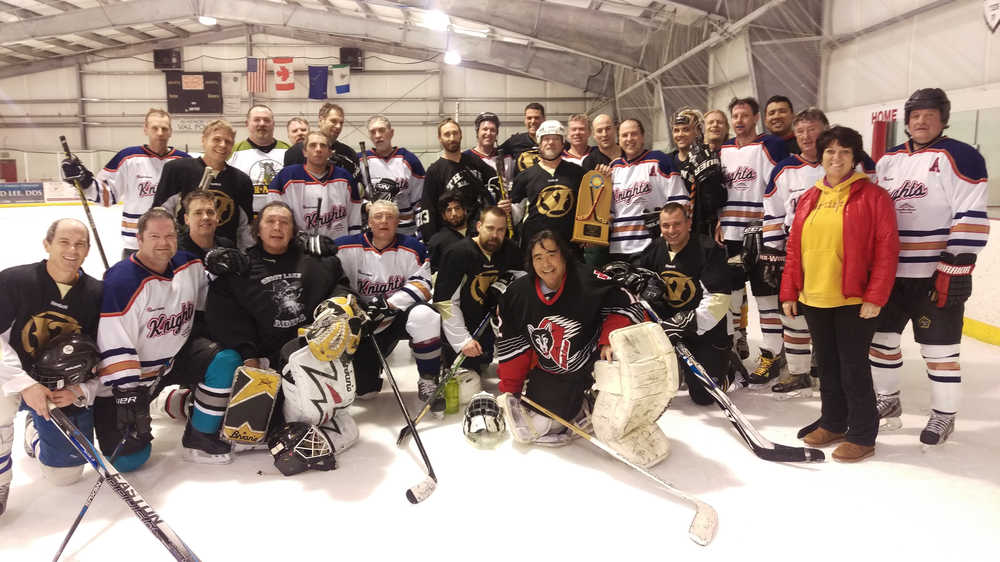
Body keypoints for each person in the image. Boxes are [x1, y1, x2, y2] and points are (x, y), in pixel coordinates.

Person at [869, 88, 989, 446]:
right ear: (906, 120)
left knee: (940, 353)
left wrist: (955, 265)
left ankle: (943, 416)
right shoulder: (888, 159)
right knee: (882, 342)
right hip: (891, 274)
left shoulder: (962, 156)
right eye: (916, 115)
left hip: (934, 275)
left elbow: (971, 211)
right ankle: (888, 401)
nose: (922, 121)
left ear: (943, 118)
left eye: (930, 115)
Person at [781, 125, 899, 462]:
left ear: (855, 157)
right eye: (830, 151)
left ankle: (863, 434)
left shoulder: (874, 197)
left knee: (853, 368)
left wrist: (876, 296)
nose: (836, 157)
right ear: (821, 156)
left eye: (844, 151)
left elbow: (887, 249)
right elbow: (794, 249)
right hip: (814, 295)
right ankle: (834, 422)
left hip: (853, 299)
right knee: (828, 366)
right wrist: (790, 290)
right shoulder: (809, 197)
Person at [94, 208, 242, 468]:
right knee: (129, 461)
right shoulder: (122, 282)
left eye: (170, 236)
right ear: (139, 240)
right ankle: (39, 427)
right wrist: (127, 393)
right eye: (154, 236)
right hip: (129, 381)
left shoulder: (188, 264)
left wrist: (224, 269)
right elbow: (113, 341)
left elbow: (205, 287)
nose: (163, 243)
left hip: (169, 363)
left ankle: (198, 434)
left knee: (225, 360)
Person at [204, 201, 353, 447]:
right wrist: (248, 355)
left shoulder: (317, 262)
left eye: (284, 222)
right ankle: (184, 402)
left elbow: (341, 288)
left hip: (308, 352)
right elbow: (225, 317)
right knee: (259, 433)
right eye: (270, 221)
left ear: (294, 230)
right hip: (262, 357)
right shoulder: (241, 268)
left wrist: (334, 313)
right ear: (257, 230)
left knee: (310, 419)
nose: (277, 227)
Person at [495, 229, 645, 444]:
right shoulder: (517, 294)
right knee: (540, 422)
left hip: (592, 363)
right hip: (552, 370)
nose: (546, 264)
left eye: (551, 254)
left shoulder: (588, 280)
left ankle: (596, 399)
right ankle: (581, 404)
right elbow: (513, 346)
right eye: (538, 257)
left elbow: (627, 303)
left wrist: (610, 339)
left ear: (564, 254)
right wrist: (510, 391)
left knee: (620, 356)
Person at [0, 219, 103, 515]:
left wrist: (80, 391)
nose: (72, 250)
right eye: (64, 242)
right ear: (47, 245)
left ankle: (35, 429)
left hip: (59, 388)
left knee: (65, 476)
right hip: (11, 377)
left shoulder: (96, 294)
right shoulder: (14, 281)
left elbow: (101, 357)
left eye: (80, 244)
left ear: (87, 251)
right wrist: (25, 384)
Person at [334, 201, 442, 406]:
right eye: (378, 216)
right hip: (363, 324)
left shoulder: (414, 248)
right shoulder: (345, 246)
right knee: (365, 392)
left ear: (398, 221)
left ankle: (429, 378)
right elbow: (330, 277)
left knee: (425, 315)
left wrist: (390, 304)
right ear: (369, 221)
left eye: (390, 217)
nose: (384, 221)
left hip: (395, 317)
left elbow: (424, 285)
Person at [716, 97, 789, 382]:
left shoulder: (771, 146)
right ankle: (733, 352)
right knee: (733, 297)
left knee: (766, 297)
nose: (739, 121)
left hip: (759, 235)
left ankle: (771, 356)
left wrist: (773, 228)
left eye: (745, 115)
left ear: (755, 117)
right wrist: (719, 221)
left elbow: (779, 188)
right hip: (731, 239)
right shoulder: (722, 150)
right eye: (735, 115)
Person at [636, 203, 733, 404]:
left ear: (688, 223)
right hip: (671, 329)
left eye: (677, 224)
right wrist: (639, 282)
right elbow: (637, 273)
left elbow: (719, 298)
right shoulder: (656, 247)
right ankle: (679, 365)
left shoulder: (708, 249)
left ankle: (730, 369)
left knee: (703, 397)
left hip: (706, 332)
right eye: (666, 226)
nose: (671, 231)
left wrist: (685, 322)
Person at [62, 108, 189, 259]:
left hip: (169, 242)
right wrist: (85, 182)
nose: (160, 133)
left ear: (170, 132)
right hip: (135, 243)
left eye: (164, 128)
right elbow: (107, 195)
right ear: (145, 129)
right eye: (155, 128)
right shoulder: (127, 157)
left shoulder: (183, 161)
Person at [433, 207, 520, 375]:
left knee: (485, 366)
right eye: (490, 228)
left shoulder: (511, 250)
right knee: (468, 379)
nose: (495, 235)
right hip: (464, 323)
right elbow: (445, 302)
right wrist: (462, 340)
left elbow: (521, 280)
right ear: (479, 226)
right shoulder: (457, 253)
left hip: (491, 322)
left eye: (501, 230)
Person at [153, 119, 254, 249]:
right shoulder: (177, 170)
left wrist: (246, 258)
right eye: (217, 139)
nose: (223, 145)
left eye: (228, 142)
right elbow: (160, 215)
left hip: (225, 255)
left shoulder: (242, 180)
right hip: (184, 252)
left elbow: (244, 229)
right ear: (204, 140)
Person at [597, 118, 687, 262]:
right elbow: (609, 212)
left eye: (634, 134)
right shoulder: (613, 168)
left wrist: (669, 236)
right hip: (619, 248)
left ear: (643, 136)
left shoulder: (660, 160)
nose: (629, 139)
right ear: (618, 139)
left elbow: (680, 200)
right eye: (624, 135)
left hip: (652, 246)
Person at [268, 130, 362, 241]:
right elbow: (273, 215)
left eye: (323, 146)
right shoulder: (286, 177)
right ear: (304, 152)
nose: (318, 149)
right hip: (300, 251)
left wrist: (352, 246)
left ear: (330, 152)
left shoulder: (345, 177)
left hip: (338, 249)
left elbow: (354, 221)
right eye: (313, 145)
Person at [510, 120, 585, 253]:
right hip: (535, 245)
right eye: (546, 138)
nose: (550, 142)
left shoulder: (578, 173)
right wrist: (506, 211)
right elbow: (516, 215)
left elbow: (587, 207)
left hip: (570, 245)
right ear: (539, 142)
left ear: (563, 143)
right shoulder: (524, 176)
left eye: (556, 138)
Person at [419, 118, 497, 242]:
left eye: (455, 133)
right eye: (447, 134)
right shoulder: (435, 171)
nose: (452, 138)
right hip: (451, 236)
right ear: (440, 138)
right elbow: (428, 208)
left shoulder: (474, 161)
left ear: (460, 135)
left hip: (477, 232)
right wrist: (431, 241)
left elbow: (494, 183)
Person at [360, 115, 427, 237]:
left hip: (406, 230)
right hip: (375, 229)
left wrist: (422, 232)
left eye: (381, 130)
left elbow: (420, 202)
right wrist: (365, 205)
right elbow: (353, 197)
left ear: (391, 133)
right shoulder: (360, 160)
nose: (377, 135)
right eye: (373, 132)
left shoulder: (410, 160)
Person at [668, 108, 726, 247]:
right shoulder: (668, 161)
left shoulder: (709, 157)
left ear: (697, 132)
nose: (680, 134)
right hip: (674, 232)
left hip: (703, 232)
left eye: (686, 129)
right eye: (676, 130)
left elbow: (717, 201)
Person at [228, 105, 290, 214]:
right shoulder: (232, 152)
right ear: (247, 124)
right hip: (246, 220)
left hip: (280, 218)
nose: (262, 123)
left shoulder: (288, 151)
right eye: (257, 120)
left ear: (273, 124)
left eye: (266, 120)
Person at [285, 103, 358, 177]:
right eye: (333, 121)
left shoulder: (349, 154)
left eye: (341, 123)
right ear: (321, 121)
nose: (338, 126)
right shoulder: (296, 152)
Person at [177, 190, 234, 259]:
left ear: (217, 217)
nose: (205, 217)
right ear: (187, 219)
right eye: (198, 213)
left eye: (210, 212)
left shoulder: (227, 247)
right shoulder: (176, 251)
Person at [464, 111, 514, 187]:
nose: (488, 133)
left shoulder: (506, 158)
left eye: (492, 130)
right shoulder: (466, 158)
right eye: (485, 129)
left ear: (497, 133)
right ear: (477, 132)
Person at [427, 191, 470, 274]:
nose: (454, 214)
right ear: (443, 216)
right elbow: (432, 272)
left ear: (465, 210)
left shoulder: (479, 232)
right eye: (449, 210)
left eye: (457, 208)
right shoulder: (437, 241)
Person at [499, 102, 545, 178]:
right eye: (529, 118)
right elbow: (492, 154)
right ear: (525, 120)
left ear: (543, 119)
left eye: (536, 118)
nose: (533, 121)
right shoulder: (514, 141)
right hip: (521, 188)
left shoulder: (553, 141)